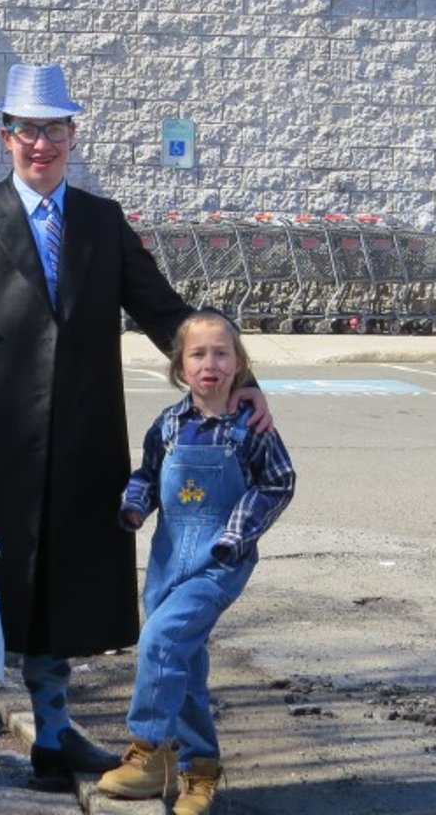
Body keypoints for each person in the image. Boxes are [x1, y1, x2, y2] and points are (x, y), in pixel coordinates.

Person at [0, 62, 271, 791]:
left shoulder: (101, 220)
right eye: (27, 130)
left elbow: (166, 314)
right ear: (6, 138)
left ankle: (54, 740)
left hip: (79, 445)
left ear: (72, 135)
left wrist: (237, 376)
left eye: (54, 129)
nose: (41, 144)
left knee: (55, 598)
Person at [96, 310, 295, 815]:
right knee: (182, 663)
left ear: (239, 363)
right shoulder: (167, 424)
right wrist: (134, 503)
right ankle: (200, 771)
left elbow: (279, 482)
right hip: (167, 560)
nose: (211, 364)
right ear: (180, 367)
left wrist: (237, 533)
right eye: (198, 354)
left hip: (219, 562)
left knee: (161, 642)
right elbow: (147, 474)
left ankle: (148, 752)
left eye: (222, 353)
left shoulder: (252, 427)